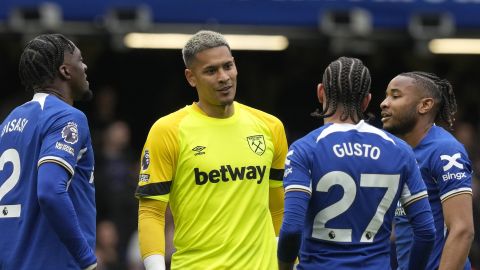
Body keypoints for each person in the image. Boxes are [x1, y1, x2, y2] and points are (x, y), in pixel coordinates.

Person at [135, 30, 288, 269]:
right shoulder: (168, 131)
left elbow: (278, 208)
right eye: (211, 71)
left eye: (228, 66)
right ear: (191, 77)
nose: (224, 77)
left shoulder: (270, 127)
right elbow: (151, 213)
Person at [277, 57, 436, 270]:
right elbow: (426, 231)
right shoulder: (400, 151)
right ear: (367, 101)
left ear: (321, 92)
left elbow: (291, 229)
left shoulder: (305, 149)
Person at [0, 34, 97, 269]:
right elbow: (50, 191)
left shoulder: (8, 123)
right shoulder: (66, 117)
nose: (84, 67)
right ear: (65, 70)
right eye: (79, 60)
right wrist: (87, 259)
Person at [381, 71, 474, 270]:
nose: (384, 103)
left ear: (425, 105)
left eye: (395, 96)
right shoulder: (398, 152)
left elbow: (462, 229)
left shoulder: (445, 150)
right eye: (386, 95)